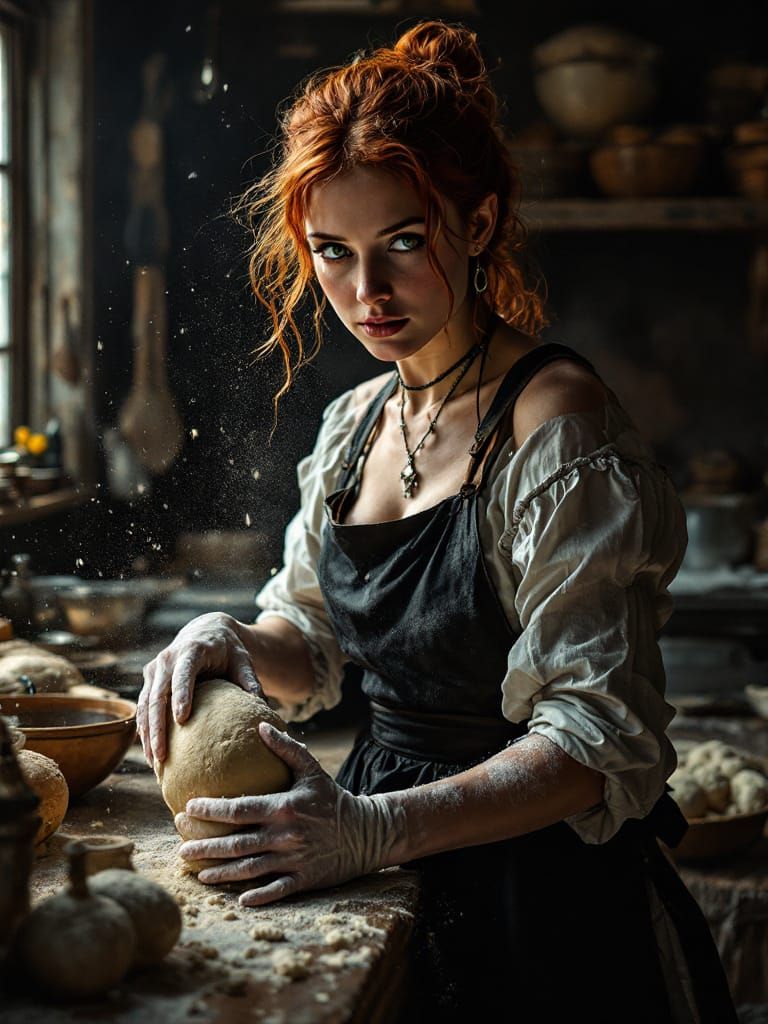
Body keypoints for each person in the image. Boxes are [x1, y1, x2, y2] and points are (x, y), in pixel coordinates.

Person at [137, 20, 738, 1024]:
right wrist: (234, 638)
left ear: (480, 221)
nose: (365, 295)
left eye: (403, 245)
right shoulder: (354, 425)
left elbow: (592, 738)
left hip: (536, 893)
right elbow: (317, 639)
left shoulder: (555, 427)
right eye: (332, 253)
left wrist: (373, 828)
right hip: (374, 858)